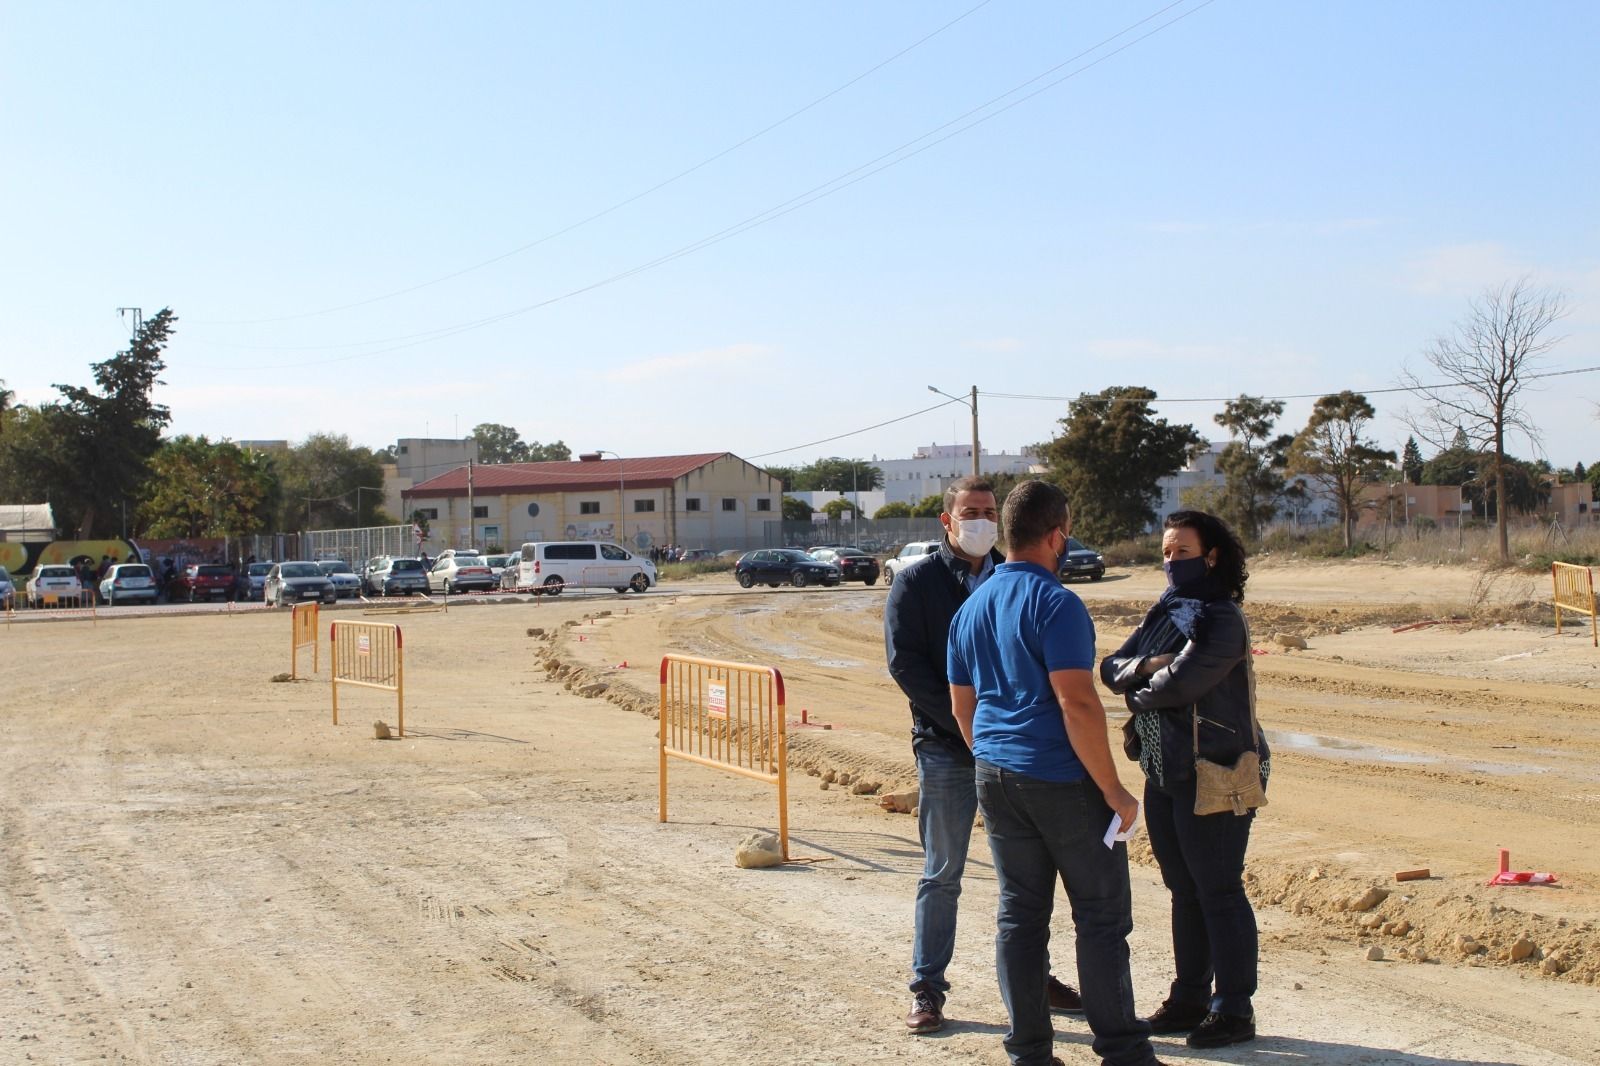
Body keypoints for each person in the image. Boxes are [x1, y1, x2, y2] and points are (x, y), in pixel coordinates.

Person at [948, 480, 1162, 1066]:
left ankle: (1029, 1053)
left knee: (1020, 915)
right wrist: (1114, 789)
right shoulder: (1058, 603)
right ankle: (1122, 1050)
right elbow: (1078, 703)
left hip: (995, 773)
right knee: (1100, 916)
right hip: (1062, 781)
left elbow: (961, 706)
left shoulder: (971, 607)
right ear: (1055, 535)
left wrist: (991, 757)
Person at [885, 476, 1082, 1037]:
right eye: (969, 511)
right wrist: (970, 727)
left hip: (1012, 758)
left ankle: (1033, 977)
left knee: (1024, 880)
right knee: (942, 872)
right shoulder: (916, 582)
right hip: (948, 750)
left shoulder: (1015, 575)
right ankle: (927, 988)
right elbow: (907, 667)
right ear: (946, 520)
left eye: (989, 512)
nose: (980, 520)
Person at [1099, 510, 1269, 1050]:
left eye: (1183, 553)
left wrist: (1139, 681)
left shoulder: (1221, 619)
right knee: (1183, 890)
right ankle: (1190, 998)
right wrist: (1149, 665)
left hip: (1216, 772)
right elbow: (1111, 667)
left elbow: (1178, 686)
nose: (1172, 562)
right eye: (1166, 552)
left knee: (1218, 890)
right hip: (1165, 769)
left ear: (1212, 556)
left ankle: (1234, 1008)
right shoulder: (1168, 609)